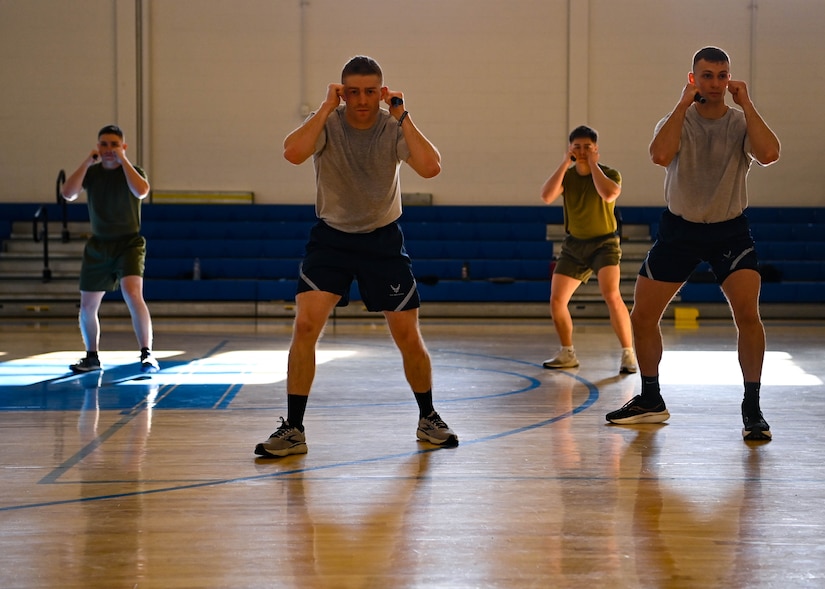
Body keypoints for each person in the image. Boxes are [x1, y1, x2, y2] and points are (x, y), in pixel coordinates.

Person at [254, 55, 458, 457]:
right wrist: (326, 107)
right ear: (342, 92)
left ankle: (428, 417)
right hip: (331, 239)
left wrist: (403, 116)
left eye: (369, 92)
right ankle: (294, 428)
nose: (361, 100)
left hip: (382, 241)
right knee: (306, 326)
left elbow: (431, 167)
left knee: (407, 335)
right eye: (352, 92)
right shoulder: (327, 121)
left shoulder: (392, 126)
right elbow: (292, 153)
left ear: (381, 93)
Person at [605, 46, 780, 440]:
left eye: (722, 75)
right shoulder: (676, 120)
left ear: (730, 79)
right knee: (642, 316)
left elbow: (769, 153)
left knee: (748, 316)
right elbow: (659, 155)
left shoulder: (739, 122)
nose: (715, 84)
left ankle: (752, 407)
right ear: (693, 79)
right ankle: (651, 399)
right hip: (680, 231)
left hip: (729, 231)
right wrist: (682, 106)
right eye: (707, 76)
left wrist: (748, 104)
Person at [61, 124, 159, 374]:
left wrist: (123, 160)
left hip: (128, 243)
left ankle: (146, 353)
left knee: (132, 293)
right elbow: (68, 193)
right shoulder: (92, 174)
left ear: (123, 147)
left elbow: (142, 191)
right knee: (87, 306)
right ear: (97, 146)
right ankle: (91, 356)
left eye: (114, 145)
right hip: (99, 245)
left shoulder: (132, 171)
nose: (108, 149)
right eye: (103, 144)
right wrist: (86, 162)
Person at [539, 125, 637, 374]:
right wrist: (564, 164)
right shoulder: (568, 176)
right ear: (570, 149)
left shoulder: (609, 173)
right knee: (557, 300)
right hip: (574, 245)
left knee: (611, 295)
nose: (582, 151)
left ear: (596, 150)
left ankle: (628, 354)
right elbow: (547, 196)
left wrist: (592, 165)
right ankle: (567, 352)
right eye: (577, 147)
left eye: (587, 147)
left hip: (604, 243)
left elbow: (608, 194)